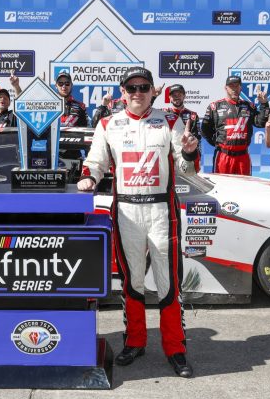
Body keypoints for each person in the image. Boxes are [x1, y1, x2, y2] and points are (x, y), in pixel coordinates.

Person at [77, 66, 199, 378]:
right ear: (122, 92)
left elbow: (185, 169)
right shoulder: (108, 123)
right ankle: (135, 341)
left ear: (153, 91)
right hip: (127, 211)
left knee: (167, 282)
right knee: (132, 281)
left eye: (144, 87)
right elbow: (95, 161)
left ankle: (176, 347)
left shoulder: (170, 120)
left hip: (161, 211)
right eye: (131, 88)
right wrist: (89, 178)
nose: (137, 93)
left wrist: (188, 152)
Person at [200, 75, 270, 175]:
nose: (234, 89)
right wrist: (216, 143)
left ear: (240, 87)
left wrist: (264, 104)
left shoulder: (249, 106)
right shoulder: (215, 106)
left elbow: (261, 123)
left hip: (243, 156)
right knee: (222, 188)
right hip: (223, 156)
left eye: (237, 86)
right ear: (226, 88)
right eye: (231, 86)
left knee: (244, 187)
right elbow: (205, 130)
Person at [11, 71, 88, 127]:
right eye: (60, 84)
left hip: (72, 148)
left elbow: (86, 129)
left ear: (71, 85)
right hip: (53, 147)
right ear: (56, 86)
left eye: (67, 83)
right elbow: (24, 107)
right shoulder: (48, 104)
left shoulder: (80, 106)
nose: (64, 86)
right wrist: (16, 86)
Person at [163, 84, 201, 171]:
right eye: (174, 95)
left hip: (185, 155)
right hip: (167, 155)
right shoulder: (163, 113)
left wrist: (196, 158)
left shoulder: (192, 115)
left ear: (184, 96)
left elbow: (198, 139)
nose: (177, 97)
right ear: (169, 97)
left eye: (179, 95)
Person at [91, 83, 165, 127]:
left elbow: (146, 106)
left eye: (129, 87)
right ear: (120, 89)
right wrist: (103, 105)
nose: (124, 89)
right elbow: (94, 124)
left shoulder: (138, 104)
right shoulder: (111, 104)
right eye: (123, 86)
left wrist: (154, 96)